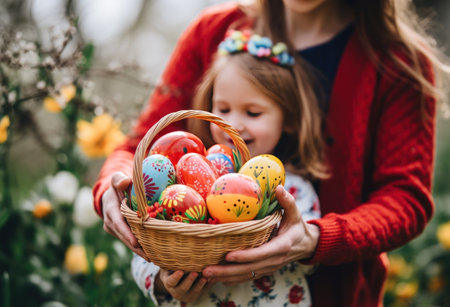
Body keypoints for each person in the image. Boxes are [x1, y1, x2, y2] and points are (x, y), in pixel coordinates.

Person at [93, 1, 447, 306]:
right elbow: (138, 147)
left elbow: (404, 199)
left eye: (252, 113)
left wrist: (312, 240)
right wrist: (113, 186)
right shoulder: (213, 31)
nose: (236, 123)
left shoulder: (397, 61)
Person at [131, 30, 327, 306]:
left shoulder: (291, 190)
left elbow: (310, 261)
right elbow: (145, 249)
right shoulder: (181, 185)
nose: (234, 124)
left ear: (290, 119)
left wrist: (293, 248)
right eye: (223, 109)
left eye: (253, 113)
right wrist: (164, 283)